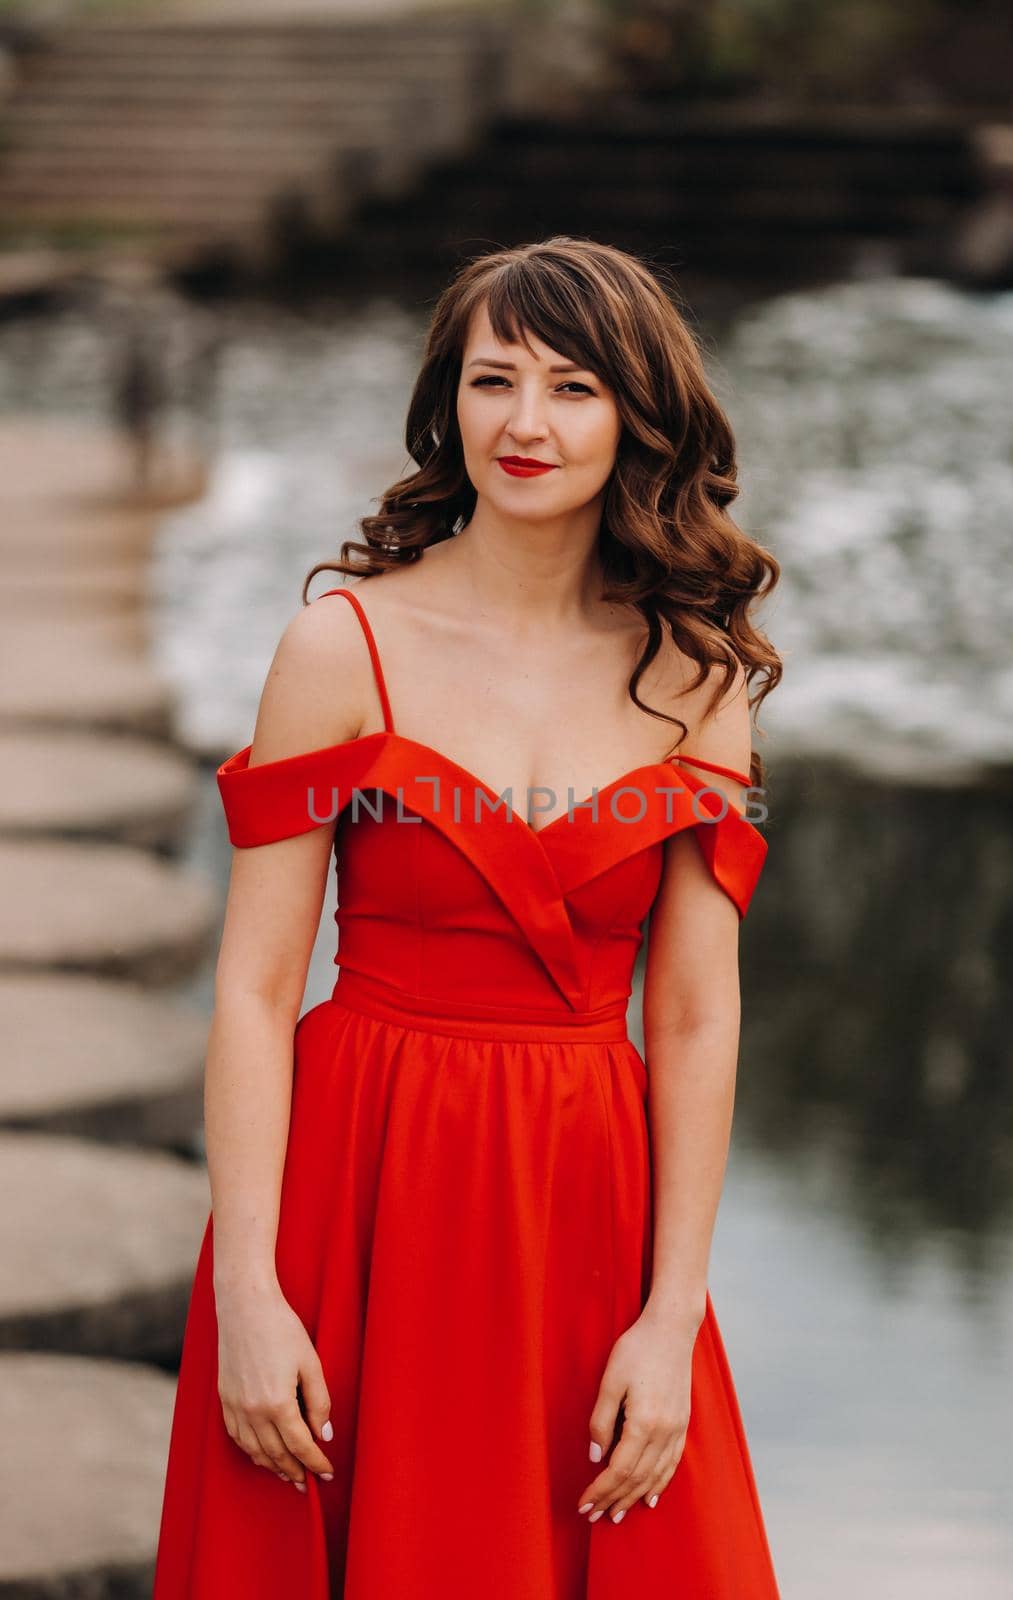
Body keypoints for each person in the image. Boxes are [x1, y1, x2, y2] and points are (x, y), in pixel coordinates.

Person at [152, 236, 783, 1598]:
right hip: (354, 1190)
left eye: (572, 387)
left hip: (587, 1214)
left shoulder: (697, 676)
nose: (528, 424)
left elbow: (693, 1012)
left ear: (636, 416)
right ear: (450, 404)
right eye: (495, 381)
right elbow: (257, 990)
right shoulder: (344, 646)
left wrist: (672, 1316)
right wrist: (250, 1291)